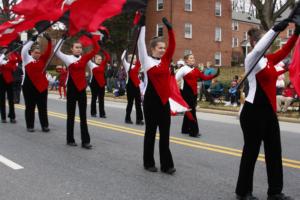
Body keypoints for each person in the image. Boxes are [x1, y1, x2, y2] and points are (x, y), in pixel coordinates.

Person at [235, 22, 299, 200]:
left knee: (274, 152)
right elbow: (259, 49)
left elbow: (285, 51)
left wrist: (295, 34)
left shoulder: (269, 60)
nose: (269, 44)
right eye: (265, 41)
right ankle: (243, 191)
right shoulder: (252, 59)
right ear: (255, 43)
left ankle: (275, 191)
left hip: (269, 112)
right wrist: (275, 29)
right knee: (251, 152)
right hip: (252, 112)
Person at [138, 16, 176, 175]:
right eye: (160, 47)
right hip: (151, 102)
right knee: (151, 132)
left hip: (164, 101)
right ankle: (148, 162)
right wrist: (142, 26)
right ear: (153, 48)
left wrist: (170, 29)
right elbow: (140, 44)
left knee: (165, 134)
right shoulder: (146, 61)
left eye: (163, 47)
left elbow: (173, 45)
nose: (163, 49)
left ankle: (166, 165)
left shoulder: (166, 61)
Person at [55, 33, 99, 149]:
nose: (79, 49)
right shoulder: (68, 58)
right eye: (76, 47)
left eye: (80, 48)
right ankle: (70, 139)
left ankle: (85, 141)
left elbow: (96, 50)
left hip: (81, 89)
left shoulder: (84, 58)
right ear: (72, 49)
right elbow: (56, 51)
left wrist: (92, 38)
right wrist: (62, 38)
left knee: (83, 116)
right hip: (71, 89)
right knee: (71, 115)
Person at [176, 53, 218, 137]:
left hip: (194, 93)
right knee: (192, 111)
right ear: (186, 60)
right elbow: (175, 79)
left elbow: (204, 77)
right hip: (186, 93)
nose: (193, 59)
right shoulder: (183, 69)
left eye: (193, 58)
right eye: (191, 58)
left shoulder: (196, 69)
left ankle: (185, 129)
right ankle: (193, 132)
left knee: (189, 110)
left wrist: (214, 75)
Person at [21, 34, 52, 133]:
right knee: (30, 107)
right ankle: (30, 125)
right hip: (28, 87)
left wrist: (49, 41)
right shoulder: (26, 59)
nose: (38, 54)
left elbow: (48, 52)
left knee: (42, 107)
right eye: (36, 52)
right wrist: (31, 40)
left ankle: (45, 126)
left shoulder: (42, 60)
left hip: (41, 87)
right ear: (31, 52)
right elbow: (23, 50)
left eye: (39, 53)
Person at [121, 51, 144, 125]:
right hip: (130, 86)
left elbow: (142, 58)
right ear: (130, 59)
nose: (135, 59)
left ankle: (139, 119)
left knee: (138, 103)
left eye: (135, 58)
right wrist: (125, 50)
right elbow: (122, 58)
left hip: (137, 85)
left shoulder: (138, 65)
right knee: (130, 103)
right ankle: (127, 118)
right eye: (133, 58)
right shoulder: (127, 65)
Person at [88, 49, 110, 118]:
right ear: (95, 59)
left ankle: (102, 114)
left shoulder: (103, 65)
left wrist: (102, 50)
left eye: (101, 59)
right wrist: (94, 51)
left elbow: (107, 57)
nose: (100, 60)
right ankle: (93, 112)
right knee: (94, 98)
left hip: (101, 84)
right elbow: (88, 58)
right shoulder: (92, 64)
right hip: (94, 84)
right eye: (98, 59)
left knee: (101, 99)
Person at [0, 52, 21, 123]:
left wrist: (16, 52)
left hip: (9, 81)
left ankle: (12, 117)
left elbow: (19, 59)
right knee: (2, 100)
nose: (8, 54)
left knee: (11, 100)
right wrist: (3, 56)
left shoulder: (11, 60)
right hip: (1, 80)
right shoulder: (1, 58)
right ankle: (3, 117)